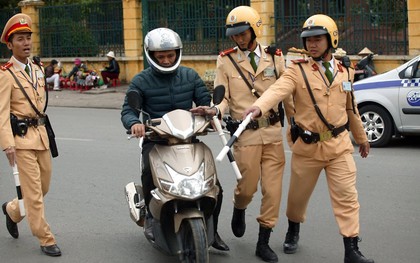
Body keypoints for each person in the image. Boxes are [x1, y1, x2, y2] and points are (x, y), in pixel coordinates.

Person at [243, 14, 374, 263]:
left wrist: (362, 138)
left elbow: (351, 108)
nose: (312, 45)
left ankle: (352, 249)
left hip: (339, 146)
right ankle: (293, 228)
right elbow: (277, 90)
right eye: (308, 40)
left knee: (347, 197)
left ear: (331, 39)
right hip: (308, 147)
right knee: (297, 199)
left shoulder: (346, 70)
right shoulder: (297, 70)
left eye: (318, 39)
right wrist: (258, 107)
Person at [192, 6, 293, 262]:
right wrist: (215, 109)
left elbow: (286, 93)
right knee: (247, 188)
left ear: (254, 29)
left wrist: (295, 124)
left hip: (271, 132)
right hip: (244, 134)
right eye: (234, 35)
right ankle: (239, 207)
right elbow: (223, 96)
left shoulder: (275, 57)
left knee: (272, 191)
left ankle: (263, 241)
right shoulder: (225, 60)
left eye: (243, 33)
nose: (238, 39)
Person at [121, 27, 229, 251]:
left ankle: (213, 230)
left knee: (215, 187)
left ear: (178, 52)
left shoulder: (190, 76)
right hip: (156, 141)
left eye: (170, 55)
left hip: (188, 139)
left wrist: (209, 111)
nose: (167, 60)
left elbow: (205, 101)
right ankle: (151, 218)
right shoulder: (141, 81)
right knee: (150, 177)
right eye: (161, 56)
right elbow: (128, 110)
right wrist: (134, 123)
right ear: (151, 56)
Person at [0, 13, 61, 257]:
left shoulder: (36, 68)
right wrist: (7, 145)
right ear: (10, 44)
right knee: (34, 193)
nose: (26, 43)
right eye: (20, 39)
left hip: (42, 136)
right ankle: (45, 237)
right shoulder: (5, 75)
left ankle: (13, 210)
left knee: (42, 187)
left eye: (28, 38)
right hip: (22, 140)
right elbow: (2, 113)